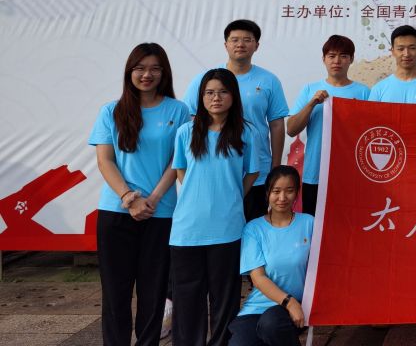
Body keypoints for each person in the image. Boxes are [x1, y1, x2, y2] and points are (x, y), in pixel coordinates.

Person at [89, 43, 191, 346]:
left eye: (155, 69)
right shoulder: (111, 111)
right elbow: (105, 160)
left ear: (164, 73)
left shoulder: (178, 110)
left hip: (160, 213)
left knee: (153, 292)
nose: (147, 75)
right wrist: (129, 198)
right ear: (129, 71)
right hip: (116, 213)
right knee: (115, 294)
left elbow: (177, 160)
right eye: (140, 68)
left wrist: (153, 199)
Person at [171, 68, 259, 346]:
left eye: (222, 92)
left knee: (225, 298)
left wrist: (231, 196)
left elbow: (252, 172)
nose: (216, 98)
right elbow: (181, 172)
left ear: (233, 96)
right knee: (187, 298)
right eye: (209, 92)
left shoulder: (246, 132)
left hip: (227, 228)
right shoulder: (186, 132)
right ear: (201, 97)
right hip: (187, 229)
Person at [186, 20, 288, 221]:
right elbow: (192, 120)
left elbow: (276, 125)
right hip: (215, 171)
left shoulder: (269, 80)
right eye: (234, 40)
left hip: (257, 172)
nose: (240, 44)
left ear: (256, 45)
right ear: (226, 45)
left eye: (247, 40)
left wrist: (275, 168)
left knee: (252, 227)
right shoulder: (206, 80)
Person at [228, 165, 314, 346]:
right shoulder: (253, 229)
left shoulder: (309, 223)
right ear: (267, 193)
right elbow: (258, 278)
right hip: (258, 308)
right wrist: (289, 302)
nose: (282, 197)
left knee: (271, 325)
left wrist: (294, 304)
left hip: (295, 308)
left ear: (297, 193)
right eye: (276, 191)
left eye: (289, 191)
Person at [287, 35, 370, 215]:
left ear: (351, 59)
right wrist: (311, 104)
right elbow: (291, 129)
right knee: (314, 225)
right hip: (315, 172)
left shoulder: (364, 92)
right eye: (331, 56)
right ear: (323, 59)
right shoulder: (310, 90)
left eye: (343, 56)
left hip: (350, 173)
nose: (337, 61)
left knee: (347, 225)